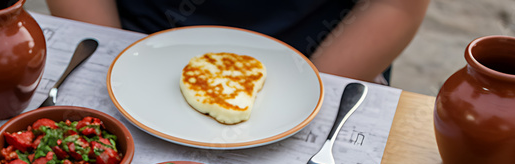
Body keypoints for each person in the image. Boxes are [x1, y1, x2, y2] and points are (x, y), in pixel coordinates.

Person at [46, 0, 429, 83]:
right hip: (128, 37)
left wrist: (314, 89)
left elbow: (395, 5)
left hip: (325, 57)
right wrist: (117, 60)